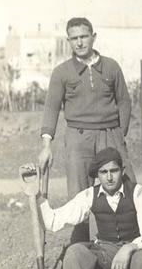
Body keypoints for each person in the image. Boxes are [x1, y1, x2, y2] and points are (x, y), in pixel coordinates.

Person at [39, 17, 135, 243]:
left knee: (123, 187)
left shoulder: (111, 66)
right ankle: (81, 249)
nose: (80, 42)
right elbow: (51, 107)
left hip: (110, 134)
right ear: (68, 41)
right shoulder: (61, 72)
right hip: (78, 138)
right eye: (74, 38)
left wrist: (120, 133)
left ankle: (127, 244)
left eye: (83, 36)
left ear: (93, 37)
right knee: (79, 196)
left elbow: (124, 101)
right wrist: (46, 145)